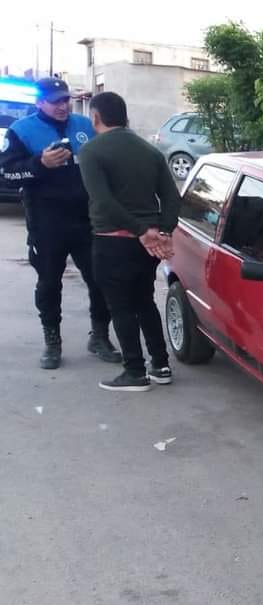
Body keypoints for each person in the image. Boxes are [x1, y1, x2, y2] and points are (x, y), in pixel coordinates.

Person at [0, 77, 121, 369]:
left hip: (88, 220)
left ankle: (100, 337)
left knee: (100, 281)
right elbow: (5, 174)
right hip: (47, 223)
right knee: (49, 284)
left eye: (65, 100)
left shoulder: (84, 125)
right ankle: (52, 343)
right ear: (39, 103)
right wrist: (40, 164)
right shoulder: (22, 131)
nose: (62, 106)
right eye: (55, 101)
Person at [78, 92, 181, 392]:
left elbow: (103, 201)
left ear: (95, 117)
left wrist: (140, 230)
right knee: (144, 301)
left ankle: (134, 371)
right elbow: (172, 198)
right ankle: (160, 366)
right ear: (126, 117)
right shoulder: (150, 151)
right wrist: (162, 231)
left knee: (121, 307)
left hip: (113, 242)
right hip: (147, 244)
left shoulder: (91, 151)